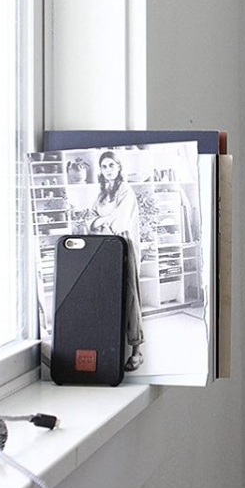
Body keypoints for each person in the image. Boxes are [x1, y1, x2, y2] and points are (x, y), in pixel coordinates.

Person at [89, 151, 144, 371]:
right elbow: (90, 219)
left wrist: (101, 221)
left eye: (112, 165)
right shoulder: (102, 194)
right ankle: (109, 348)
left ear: (119, 167)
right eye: (104, 166)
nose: (108, 170)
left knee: (130, 295)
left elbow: (120, 222)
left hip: (124, 245)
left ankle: (137, 352)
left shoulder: (126, 191)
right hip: (105, 247)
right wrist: (100, 221)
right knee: (106, 296)